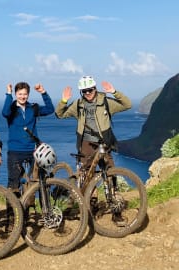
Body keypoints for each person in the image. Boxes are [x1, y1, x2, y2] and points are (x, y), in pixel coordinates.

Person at [55, 75, 132, 224]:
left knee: (110, 175)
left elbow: (127, 104)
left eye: (90, 90)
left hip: (104, 143)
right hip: (86, 144)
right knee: (87, 177)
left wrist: (114, 91)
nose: (88, 93)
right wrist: (64, 100)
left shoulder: (105, 102)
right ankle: (93, 207)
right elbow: (60, 114)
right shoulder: (78, 105)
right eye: (84, 91)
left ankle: (116, 212)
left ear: (95, 88)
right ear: (81, 93)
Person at [2, 82, 55, 197]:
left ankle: (41, 210)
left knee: (38, 181)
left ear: (28, 95)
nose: (22, 96)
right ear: (16, 94)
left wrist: (43, 92)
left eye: (25, 94)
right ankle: (13, 213)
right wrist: (8, 94)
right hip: (15, 151)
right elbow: (4, 112)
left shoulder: (33, 108)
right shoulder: (11, 109)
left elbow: (50, 109)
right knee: (13, 184)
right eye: (20, 94)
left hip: (33, 150)